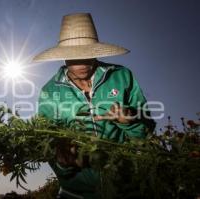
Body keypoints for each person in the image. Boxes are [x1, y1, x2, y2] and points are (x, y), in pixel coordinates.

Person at [33, 13, 156, 199]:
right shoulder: (49, 92)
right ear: (62, 56)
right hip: (74, 193)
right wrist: (63, 163)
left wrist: (130, 121)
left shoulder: (121, 77)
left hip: (124, 188)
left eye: (89, 54)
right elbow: (47, 145)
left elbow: (145, 133)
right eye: (75, 57)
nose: (83, 63)